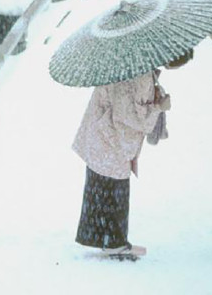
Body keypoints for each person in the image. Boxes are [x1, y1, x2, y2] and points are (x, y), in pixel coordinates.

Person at [73, 67, 172, 259]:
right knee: (114, 189)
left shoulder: (124, 65)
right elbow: (130, 116)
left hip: (100, 132)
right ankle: (114, 242)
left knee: (100, 187)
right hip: (110, 138)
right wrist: (159, 108)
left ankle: (101, 237)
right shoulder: (139, 73)